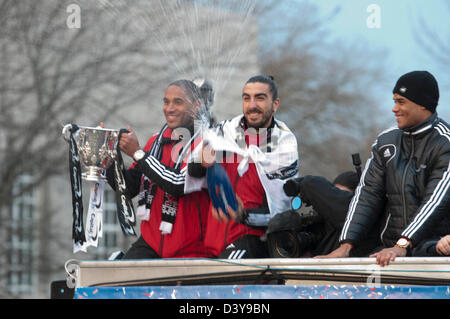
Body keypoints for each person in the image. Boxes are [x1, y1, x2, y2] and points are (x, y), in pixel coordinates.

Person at [318, 70, 450, 266]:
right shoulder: (386, 141)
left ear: (423, 104)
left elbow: (435, 202)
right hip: (388, 250)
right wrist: (346, 245)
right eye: (394, 101)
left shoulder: (444, 143)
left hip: (434, 248)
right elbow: (367, 194)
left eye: (401, 102)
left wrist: (403, 244)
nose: (394, 109)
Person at [187, 75, 299, 259]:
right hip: (210, 242)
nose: (252, 105)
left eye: (260, 98)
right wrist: (201, 160)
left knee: (223, 280)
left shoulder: (284, 145)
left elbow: (282, 213)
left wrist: (243, 214)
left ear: (275, 104)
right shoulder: (224, 132)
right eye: (247, 98)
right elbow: (193, 173)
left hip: (253, 241)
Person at [105, 79, 212, 259]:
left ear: (196, 106)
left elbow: (178, 184)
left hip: (191, 249)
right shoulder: (155, 141)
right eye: (166, 101)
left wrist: (138, 153)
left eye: (178, 102)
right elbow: (128, 188)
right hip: (151, 243)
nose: (169, 108)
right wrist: (109, 158)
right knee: (113, 282)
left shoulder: (207, 143)